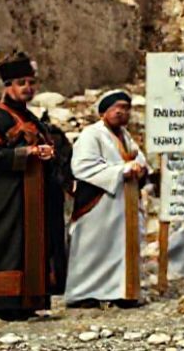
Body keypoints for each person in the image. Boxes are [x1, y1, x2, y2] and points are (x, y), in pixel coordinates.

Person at [0, 52, 69, 319]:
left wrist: (47, 155)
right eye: (22, 82)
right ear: (7, 86)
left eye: (32, 82)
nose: (28, 88)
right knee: (2, 247)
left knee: (27, 247)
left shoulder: (33, 119)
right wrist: (28, 154)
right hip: (1, 199)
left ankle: (26, 301)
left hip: (29, 200)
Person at [65, 90, 148, 308]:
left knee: (120, 247)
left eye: (126, 108)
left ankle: (121, 292)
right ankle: (84, 293)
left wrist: (140, 170)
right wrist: (121, 171)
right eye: (116, 108)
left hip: (123, 203)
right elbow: (82, 166)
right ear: (104, 112)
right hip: (98, 202)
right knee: (93, 248)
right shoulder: (91, 134)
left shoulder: (126, 136)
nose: (121, 112)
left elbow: (139, 159)